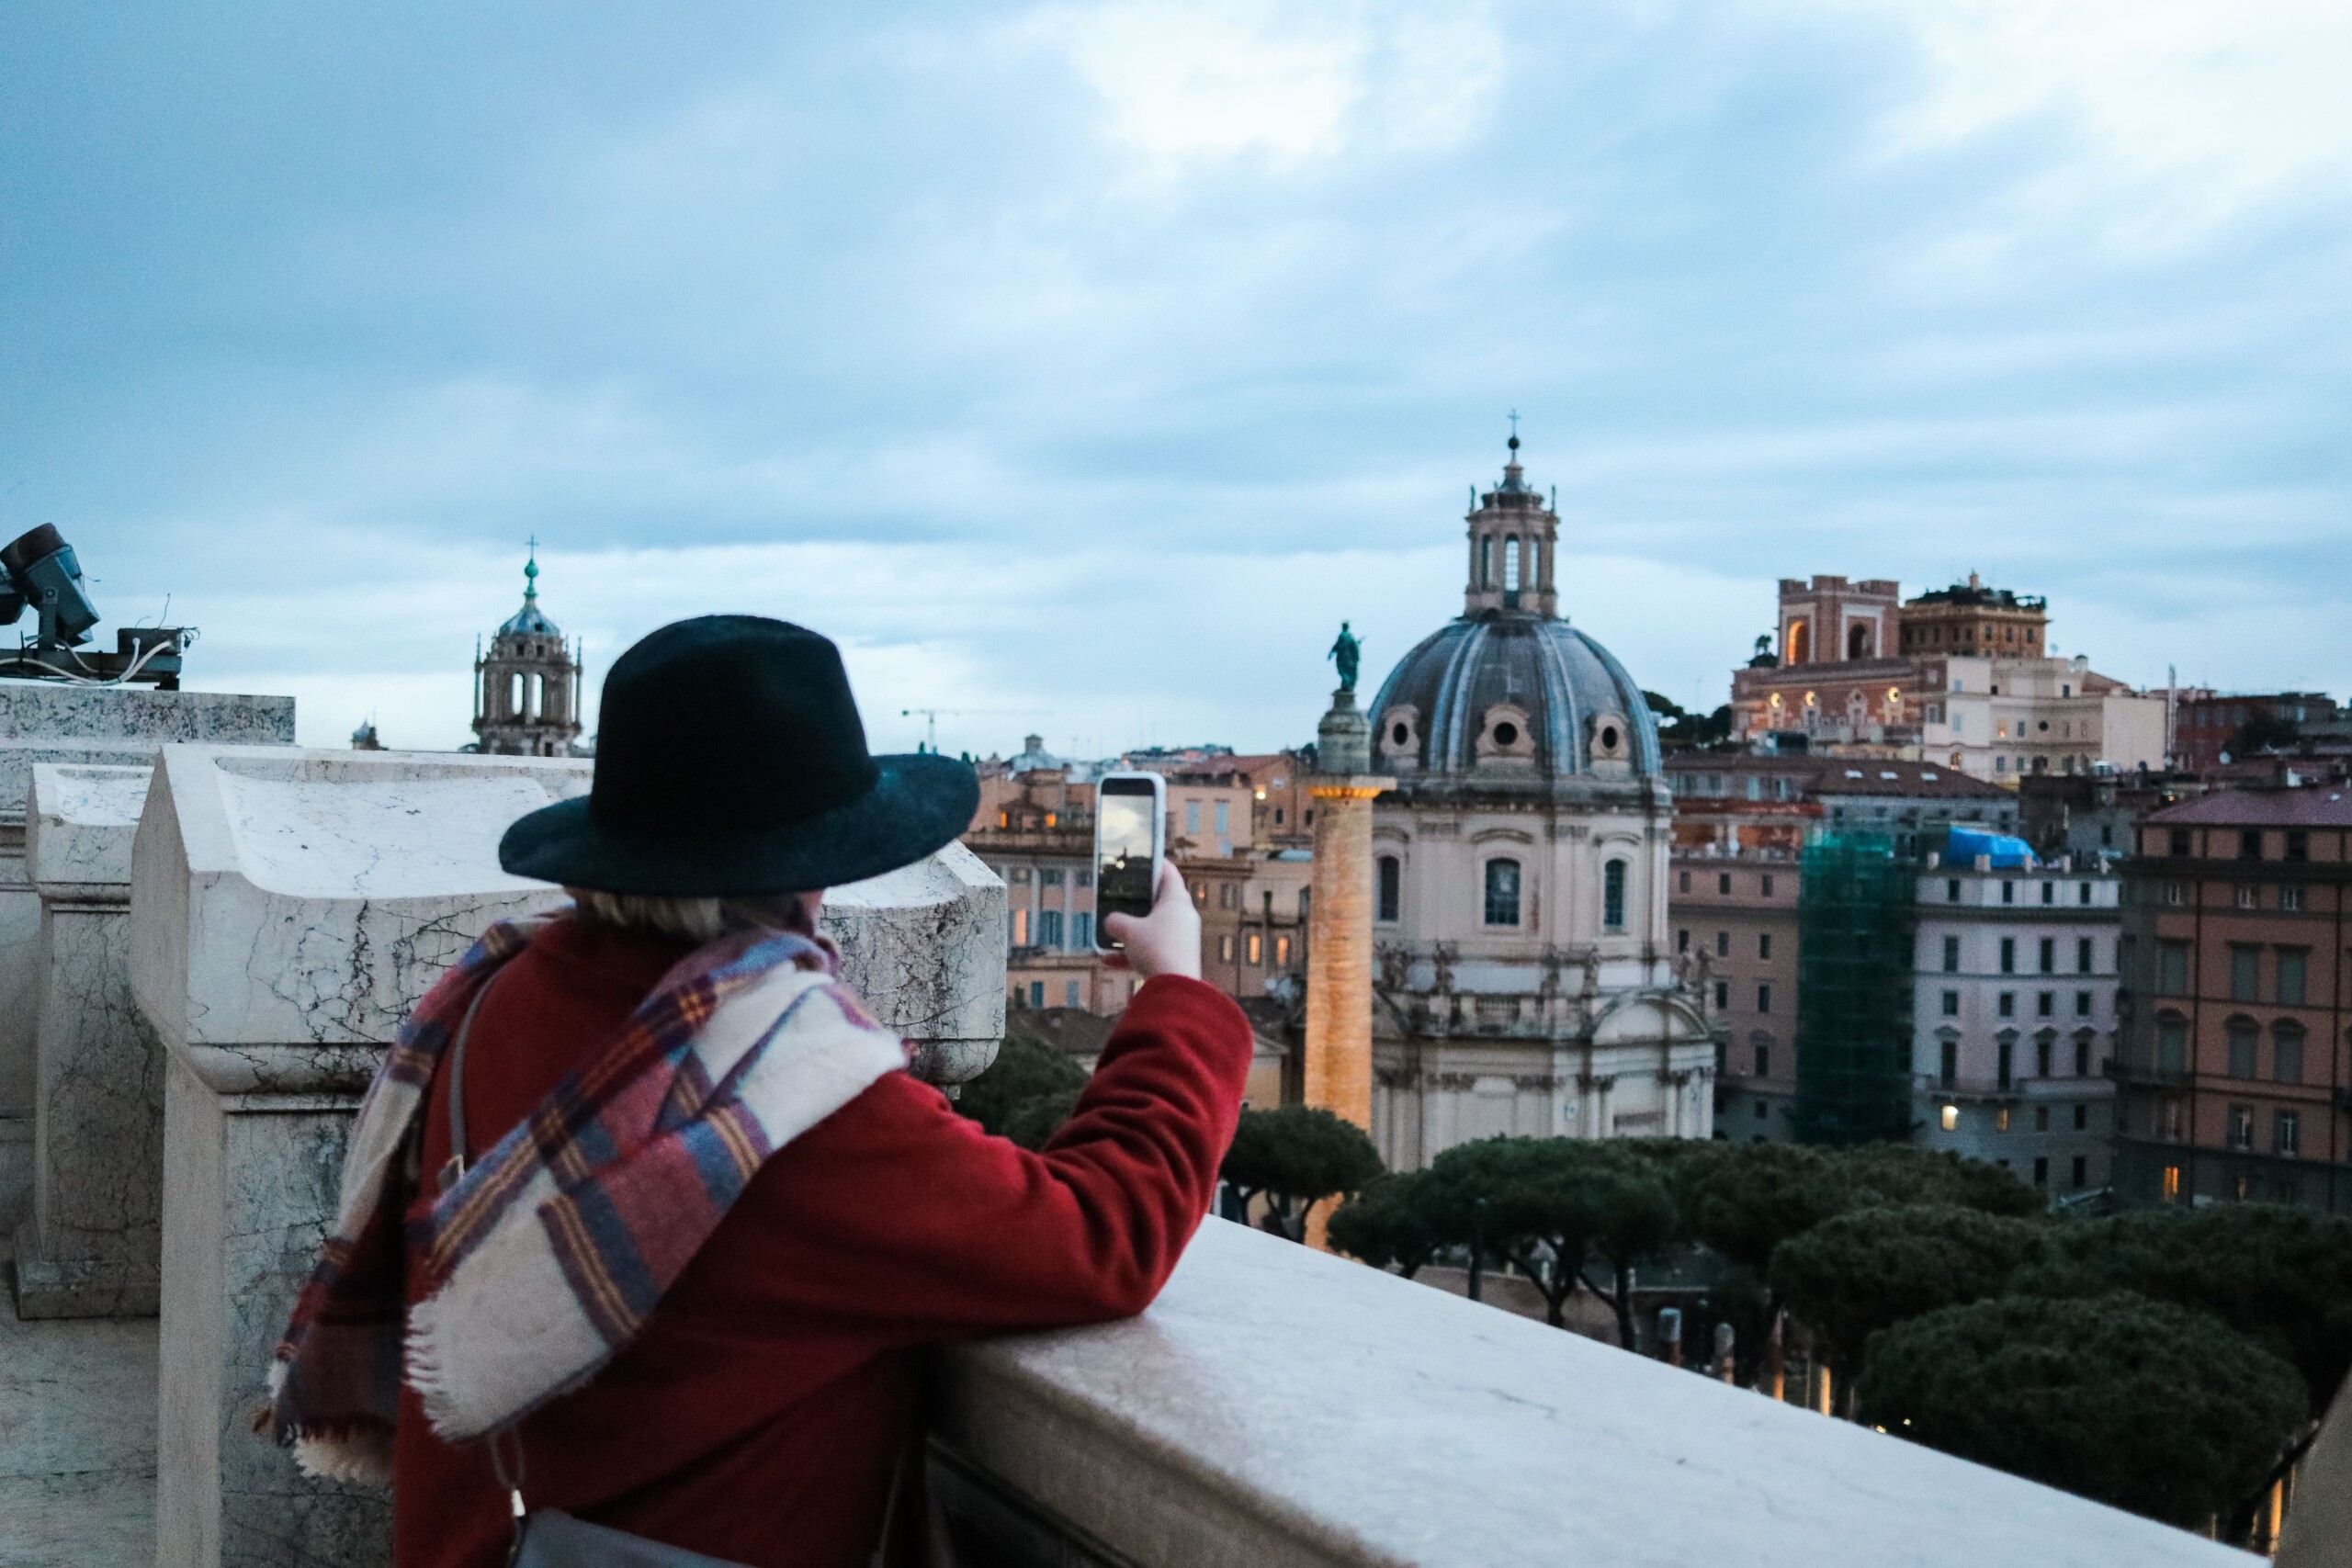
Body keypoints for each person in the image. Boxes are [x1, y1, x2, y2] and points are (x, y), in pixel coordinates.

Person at [268, 615, 1251, 1568]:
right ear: (805, 871)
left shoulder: (494, 996)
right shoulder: (788, 1100)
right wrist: (1176, 996)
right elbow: (1103, 1234)